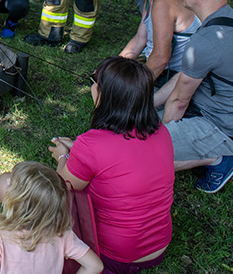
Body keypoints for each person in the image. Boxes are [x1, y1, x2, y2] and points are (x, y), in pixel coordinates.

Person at [47, 57, 174, 272]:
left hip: (117, 256)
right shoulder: (162, 131)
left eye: (94, 81)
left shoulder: (91, 145)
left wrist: (63, 157)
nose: (92, 85)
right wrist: (78, 146)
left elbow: (62, 188)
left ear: (104, 95)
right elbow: (123, 156)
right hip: (159, 246)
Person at [154, 0, 233, 193]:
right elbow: (187, 74)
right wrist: (150, 103)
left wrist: (160, 143)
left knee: (141, 157)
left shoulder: (207, 40)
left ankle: (218, 158)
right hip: (215, 112)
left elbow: (179, 103)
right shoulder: (228, 17)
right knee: (140, 123)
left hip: (221, 128)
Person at [0, 161, 103, 274]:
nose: (8, 182)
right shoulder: (61, 233)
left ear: (15, 203)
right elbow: (95, 266)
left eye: (13, 184)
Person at [118, 0, 201, 83]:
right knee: (99, 84)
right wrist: (112, 66)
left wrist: (137, 89)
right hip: (161, 72)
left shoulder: (163, 1)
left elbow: (161, 58)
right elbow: (140, 39)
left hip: (174, 77)